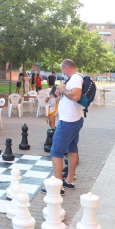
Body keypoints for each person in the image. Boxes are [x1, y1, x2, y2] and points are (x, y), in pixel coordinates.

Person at [45, 59, 83, 196]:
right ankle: (69, 181)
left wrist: (63, 89)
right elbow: (71, 95)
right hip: (75, 119)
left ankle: (57, 186)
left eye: (63, 70)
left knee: (56, 151)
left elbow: (76, 95)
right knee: (72, 149)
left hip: (68, 121)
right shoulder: (75, 79)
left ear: (66, 68)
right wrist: (62, 90)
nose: (63, 73)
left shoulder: (75, 78)